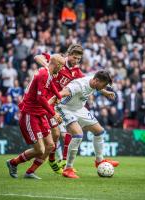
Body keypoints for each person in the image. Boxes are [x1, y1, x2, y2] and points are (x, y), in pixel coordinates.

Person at [34, 44, 115, 173]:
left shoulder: (77, 72)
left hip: (61, 101)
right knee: (56, 135)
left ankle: (61, 161)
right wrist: (48, 67)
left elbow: (91, 82)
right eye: (74, 57)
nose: (76, 61)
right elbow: (37, 56)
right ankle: (54, 161)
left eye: (79, 59)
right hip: (49, 100)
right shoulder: (58, 61)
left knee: (64, 134)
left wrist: (104, 92)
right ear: (68, 54)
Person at [6, 54, 65, 179]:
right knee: (40, 150)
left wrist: (58, 96)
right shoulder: (44, 73)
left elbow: (51, 85)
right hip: (30, 114)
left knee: (50, 145)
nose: (61, 69)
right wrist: (54, 114)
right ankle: (13, 163)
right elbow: (40, 98)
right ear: (56, 65)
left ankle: (30, 172)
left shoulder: (47, 73)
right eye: (61, 66)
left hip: (40, 114)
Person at [54, 70, 119, 179]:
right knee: (78, 135)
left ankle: (99, 161)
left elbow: (98, 88)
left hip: (79, 108)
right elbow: (63, 92)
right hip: (65, 108)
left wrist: (106, 92)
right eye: (104, 85)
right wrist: (51, 104)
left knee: (99, 131)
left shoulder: (94, 82)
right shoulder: (79, 85)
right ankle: (68, 169)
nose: (104, 87)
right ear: (97, 80)